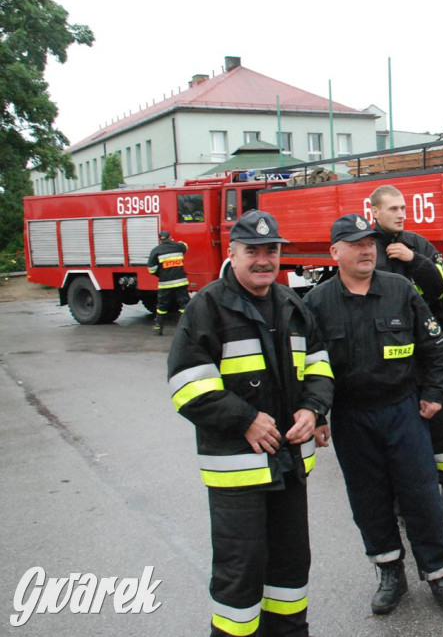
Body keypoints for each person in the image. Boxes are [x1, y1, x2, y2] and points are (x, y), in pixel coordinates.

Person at [166, 209, 334, 636]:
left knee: (291, 566)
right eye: (253, 251)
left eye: (272, 251)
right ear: (233, 254)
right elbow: (186, 386)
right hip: (237, 472)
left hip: (290, 465)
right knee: (240, 570)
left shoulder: (293, 305)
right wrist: (245, 420)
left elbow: (320, 366)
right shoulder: (207, 306)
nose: (264, 260)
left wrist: (313, 409)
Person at [303, 213, 443, 616]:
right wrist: (317, 414)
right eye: (356, 243)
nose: (366, 249)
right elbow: (307, 366)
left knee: (422, 495)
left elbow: (435, 346)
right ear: (334, 252)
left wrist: (433, 392)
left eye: (370, 242)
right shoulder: (315, 303)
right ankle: (389, 571)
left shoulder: (399, 289)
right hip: (352, 418)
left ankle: (440, 574)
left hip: (403, 412)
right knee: (369, 501)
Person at [369, 184, 443, 519]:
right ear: (374, 211)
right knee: (396, 436)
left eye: (403, 208)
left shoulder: (417, 244)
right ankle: (399, 500)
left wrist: (414, 259)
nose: (401, 214)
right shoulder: (367, 248)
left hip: (424, 356)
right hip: (387, 363)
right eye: (393, 209)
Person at [147, 229, 190, 335]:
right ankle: (186, 327)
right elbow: (185, 245)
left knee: (162, 306)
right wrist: (176, 242)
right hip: (181, 282)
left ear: (160, 239)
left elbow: (151, 269)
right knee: (184, 305)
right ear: (170, 237)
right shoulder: (179, 247)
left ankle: (158, 328)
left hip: (165, 284)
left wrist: (160, 274)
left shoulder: (156, 250)